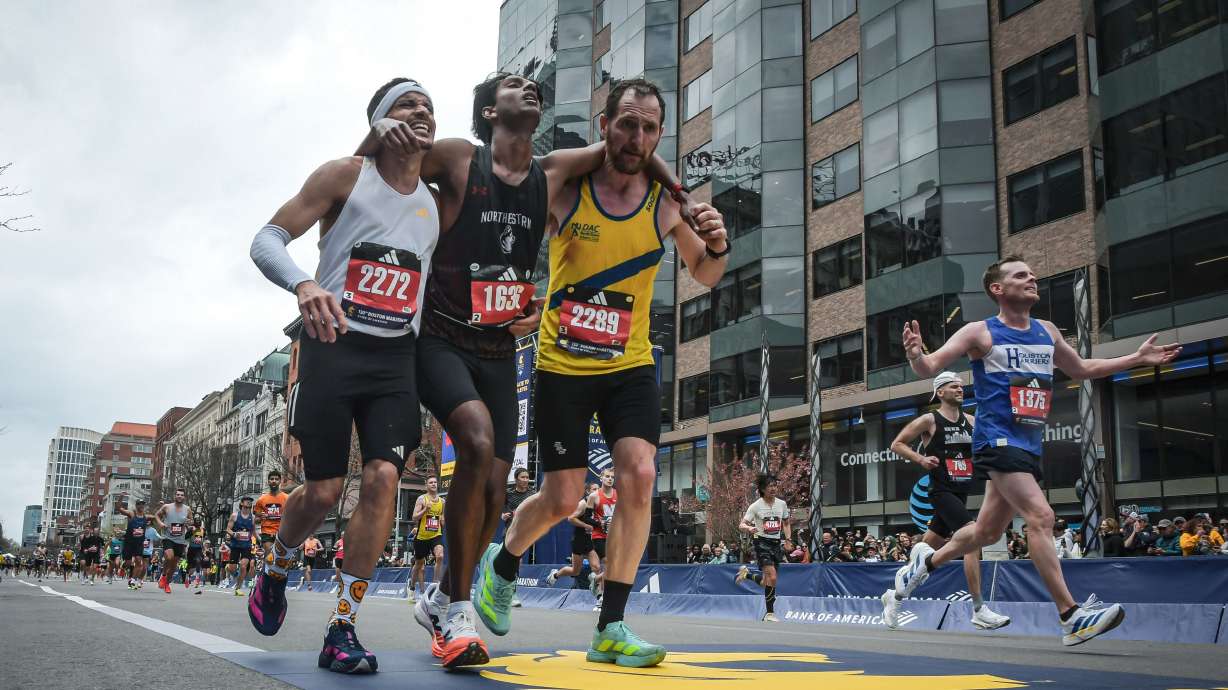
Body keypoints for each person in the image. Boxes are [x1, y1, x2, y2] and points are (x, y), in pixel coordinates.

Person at [362, 74, 685, 669]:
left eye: (533, 85)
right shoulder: (462, 156)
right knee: (482, 449)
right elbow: (386, 165)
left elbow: (625, 145)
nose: (530, 87)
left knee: (494, 484)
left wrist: (674, 185)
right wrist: (375, 135)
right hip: (441, 337)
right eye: (513, 85)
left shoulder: (551, 170)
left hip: (500, 347)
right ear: (488, 110)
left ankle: (454, 592)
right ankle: (458, 609)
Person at [472, 77, 729, 669]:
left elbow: (707, 273)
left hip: (630, 365)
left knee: (639, 472)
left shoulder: (666, 204)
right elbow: (544, 171)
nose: (637, 137)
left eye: (650, 128)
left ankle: (611, 626)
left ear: (661, 134)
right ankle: (503, 563)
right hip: (562, 363)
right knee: (562, 497)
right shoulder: (568, 188)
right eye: (626, 124)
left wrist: (717, 243)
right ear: (604, 126)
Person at [246, 77, 441, 675]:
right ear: (380, 121)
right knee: (326, 490)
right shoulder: (343, 176)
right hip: (333, 346)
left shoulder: (436, 199)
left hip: (395, 359)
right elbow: (266, 238)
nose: (422, 113)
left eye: (430, 107)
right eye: (408, 105)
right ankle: (277, 567)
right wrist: (304, 284)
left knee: (384, 477)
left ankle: (342, 628)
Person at [886, 254, 1180, 646]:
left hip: (1028, 444)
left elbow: (1081, 370)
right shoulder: (980, 332)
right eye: (1020, 275)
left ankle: (923, 566)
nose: (1032, 278)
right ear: (998, 289)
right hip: (996, 441)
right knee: (1041, 516)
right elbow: (930, 367)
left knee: (987, 532)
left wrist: (1136, 358)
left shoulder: (1047, 331)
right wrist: (915, 354)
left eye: (1032, 274)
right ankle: (1070, 617)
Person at [881, 371, 1010, 630]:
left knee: (922, 561)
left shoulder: (972, 421)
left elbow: (989, 447)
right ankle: (978, 609)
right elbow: (897, 444)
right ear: (940, 392)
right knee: (972, 539)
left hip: (961, 491)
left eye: (962, 387)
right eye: (954, 387)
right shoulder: (930, 420)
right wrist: (921, 459)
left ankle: (894, 598)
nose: (961, 390)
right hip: (941, 492)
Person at [735, 475, 790, 623]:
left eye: (775, 485)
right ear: (762, 489)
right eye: (769, 486)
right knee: (772, 577)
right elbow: (741, 525)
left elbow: (786, 522)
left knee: (767, 581)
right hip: (761, 543)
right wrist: (749, 528)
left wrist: (789, 539)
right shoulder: (755, 506)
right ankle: (770, 613)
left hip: (776, 543)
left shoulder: (782, 504)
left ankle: (746, 575)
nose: (773, 488)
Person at [545, 482, 601, 587]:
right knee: (576, 571)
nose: (597, 492)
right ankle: (556, 574)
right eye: (594, 489)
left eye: (598, 489)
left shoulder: (598, 503)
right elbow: (570, 518)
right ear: (588, 491)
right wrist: (586, 525)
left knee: (597, 567)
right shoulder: (583, 504)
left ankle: (599, 595)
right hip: (579, 540)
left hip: (590, 540)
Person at [410, 476, 446, 604]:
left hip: (436, 535)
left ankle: (435, 586)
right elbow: (414, 517)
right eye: (431, 482)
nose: (433, 484)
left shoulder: (442, 501)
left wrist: (443, 521)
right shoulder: (422, 499)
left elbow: (442, 519)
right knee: (419, 564)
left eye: (435, 482)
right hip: (422, 537)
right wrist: (425, 509)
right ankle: (412, 587)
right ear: (426, 485)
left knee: (440, 556)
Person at [153, 487, 191, 595]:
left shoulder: (187, 509)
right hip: (168, 537)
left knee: (174, 565)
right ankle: (163, 575)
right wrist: (160, 523)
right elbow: (157, 515)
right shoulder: (167, 507)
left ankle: (167, 584)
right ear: (175, 496)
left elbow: (191, 520)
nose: (179, 496)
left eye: (181, 495)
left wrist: (189, 523)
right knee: (169, 556)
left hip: (180, 539)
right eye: (178, 494)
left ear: (184, 497)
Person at [116, 498, 150, 589]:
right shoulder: (131, 514)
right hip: (129, 543)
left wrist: (160, 506)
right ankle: (123, 567)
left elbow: (157, 515)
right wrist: (120, 497)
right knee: (128, 563)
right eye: (139, 504)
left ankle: (132, 580)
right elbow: (119, 509)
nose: (141, 506)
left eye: (143, 504)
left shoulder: (145, 516)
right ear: (136, 505)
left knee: (139, 561)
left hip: (139, 543)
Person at [226, 496, 257, 595]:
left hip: (246, 546)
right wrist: (234, 534)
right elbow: (228, 529)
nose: (249, 503)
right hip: (235, 545)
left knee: (244, 566)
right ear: (242, 503)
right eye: (247, 501)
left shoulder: (252, 518)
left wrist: (260, 540)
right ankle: (231, 571)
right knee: (232, 569)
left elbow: (253, 532)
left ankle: (238, 589)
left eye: (250, 502)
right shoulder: (234, 515)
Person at [254, 471, 288, 558]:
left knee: (281, 558)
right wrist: (261, 517)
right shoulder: (261, 500)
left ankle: (272, 571)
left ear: (280, 481)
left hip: (282, 532)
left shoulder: (287, 498)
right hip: (267, 531)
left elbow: (292, 516)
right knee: (270, 555)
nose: (274, 481)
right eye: (271, 479)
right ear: (268, 481)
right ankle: (266, 571)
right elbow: (256, 520)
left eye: (276, 479)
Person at [186, 514, 206, 591]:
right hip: (191, 548)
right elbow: (186, 537)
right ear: (194, 523)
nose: (198, 523)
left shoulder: (203, 530)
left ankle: (197, 578)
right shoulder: (191, 529)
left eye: (199, 522)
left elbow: (203, 538)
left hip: (198, 549)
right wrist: (192, 532)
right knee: (190, 564)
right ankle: (187, 577)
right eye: (196, 522)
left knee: (198, 561)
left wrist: (203, 548)